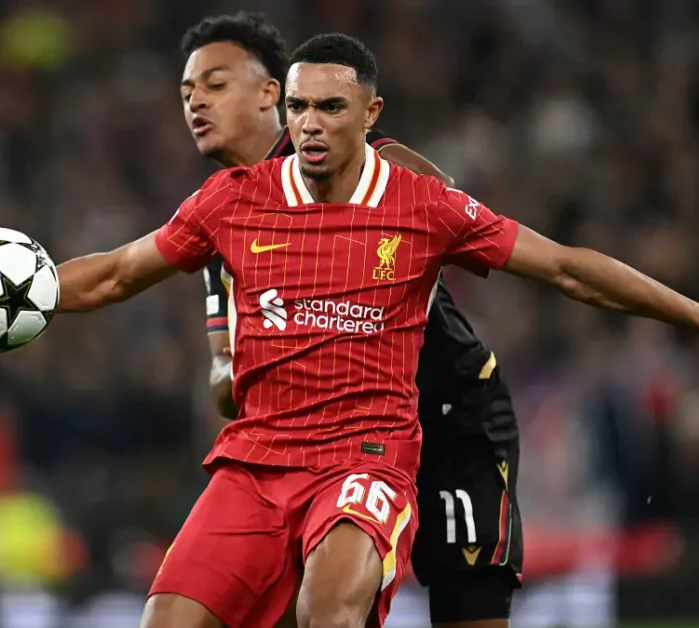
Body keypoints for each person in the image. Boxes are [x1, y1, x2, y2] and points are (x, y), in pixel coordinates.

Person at [0, 33, 699, 628]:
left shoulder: (422, 204)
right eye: (300, 110)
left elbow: (569, 267)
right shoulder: (231, 202)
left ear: (370, 115)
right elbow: (115, 272)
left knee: (331, 611)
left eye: (331, 109)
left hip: (368, 455)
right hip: (258, 459)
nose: (311, 125)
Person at [178, 13, 521, 626]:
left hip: (448, 415)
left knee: (466, 610)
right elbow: (224, 377)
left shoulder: (356, 158)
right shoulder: (225, 219)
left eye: (215, 84)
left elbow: (443, 206)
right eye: (187, 91)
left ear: (270, 93)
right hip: (327, 447)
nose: (196, 101)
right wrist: (264, 358)